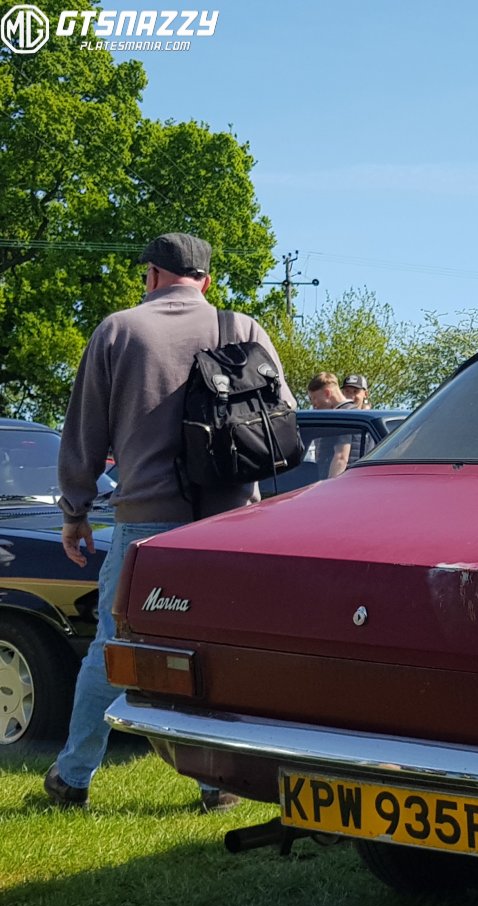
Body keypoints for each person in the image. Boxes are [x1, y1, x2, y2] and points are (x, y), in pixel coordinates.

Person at [46, 232, 294, 811]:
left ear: (152, 275)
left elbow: (84, 431)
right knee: (219, 649)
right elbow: (278, 413)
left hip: (146, 521)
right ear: (205, 281)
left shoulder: (120, 330)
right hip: (232, 522)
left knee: (114, 647)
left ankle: (74, 777)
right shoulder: (243, 327)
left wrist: (75, 511)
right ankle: (220, 785)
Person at [306, 371, 354, 478]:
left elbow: (341, 457)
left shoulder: (342, 416)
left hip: (340, 483)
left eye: (314, 398)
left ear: (327, 393)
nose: (313, 404)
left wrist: (329, 488)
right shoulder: (353, 413)